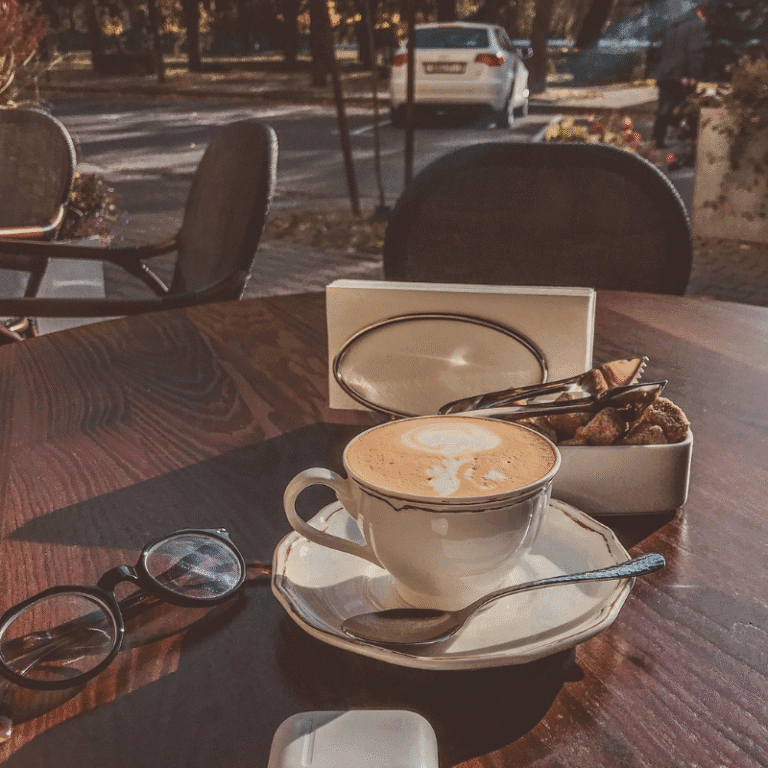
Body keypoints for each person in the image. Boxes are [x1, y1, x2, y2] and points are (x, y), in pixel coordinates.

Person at [652, 1, 709, 149]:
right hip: (682, 75)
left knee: (663, 108)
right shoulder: (695, 25)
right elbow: (694, 51)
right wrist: (693, 74)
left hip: (666, 72)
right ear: (702, 10)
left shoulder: (675, 23)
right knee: (689, 108)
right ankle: (693, 141)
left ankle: (657, 140)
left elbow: (663, 49)